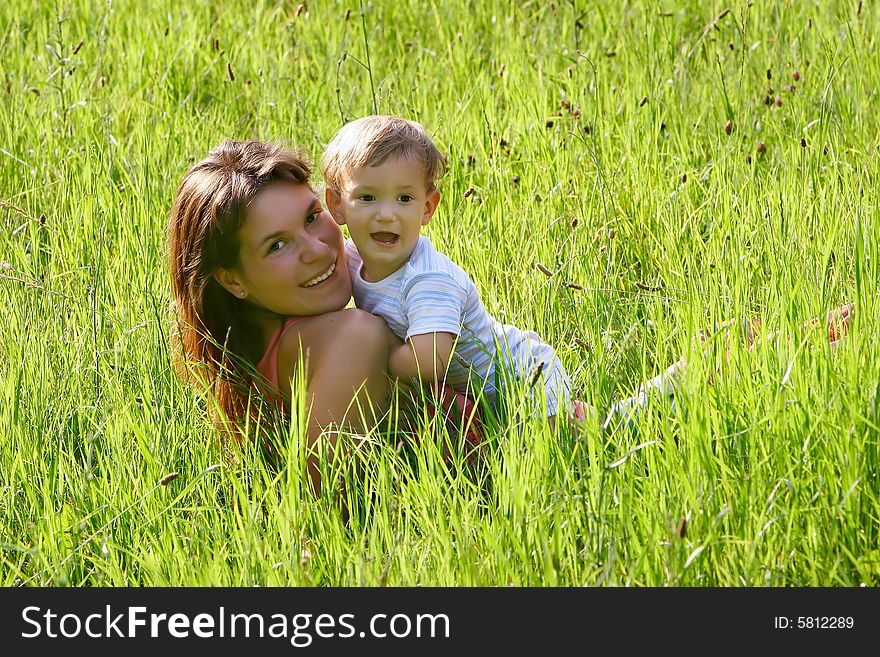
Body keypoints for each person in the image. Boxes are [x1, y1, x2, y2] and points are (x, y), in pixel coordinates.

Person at [321, 115, 590, 431]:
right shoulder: (352, 257)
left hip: (523, 376)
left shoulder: (427, 280)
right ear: (337, 204)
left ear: (427, 208)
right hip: (476, 391)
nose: (386, 214)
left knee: (559, 443)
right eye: (367, 197)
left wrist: (375, 358)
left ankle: (644, 405)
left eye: (404, 198)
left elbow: (429, 359)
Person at [167, 139, 399, 496]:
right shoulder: (354, 335)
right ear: (233, 280)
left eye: (311, 217)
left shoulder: (258, 359)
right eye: (277, 245)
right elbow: (327, 515)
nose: (319, 251)